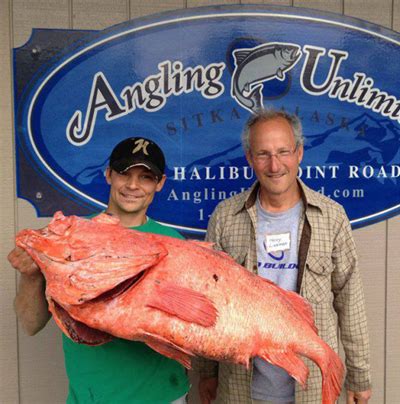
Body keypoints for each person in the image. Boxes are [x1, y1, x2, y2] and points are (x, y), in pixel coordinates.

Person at [196, 110, 372, 404]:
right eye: (263, 154)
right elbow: (208, 300)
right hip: (241, 389)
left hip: (311, 389)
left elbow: (350, 301)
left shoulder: (332, 217)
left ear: (299, 153)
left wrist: (359, 375)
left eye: (283, 152)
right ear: (250, 158)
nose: (274, 165)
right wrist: (206, 371)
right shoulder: (226, 217)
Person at [8, 137, 190, 404]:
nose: (132, 185)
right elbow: (30, 323)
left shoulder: (175, 245)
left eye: (145, 177)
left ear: (160, 183)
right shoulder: (70, 237)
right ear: (108, 175)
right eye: (124, 174)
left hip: (164, 396)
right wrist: (31, 274)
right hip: (92, 398)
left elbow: (191, 329)